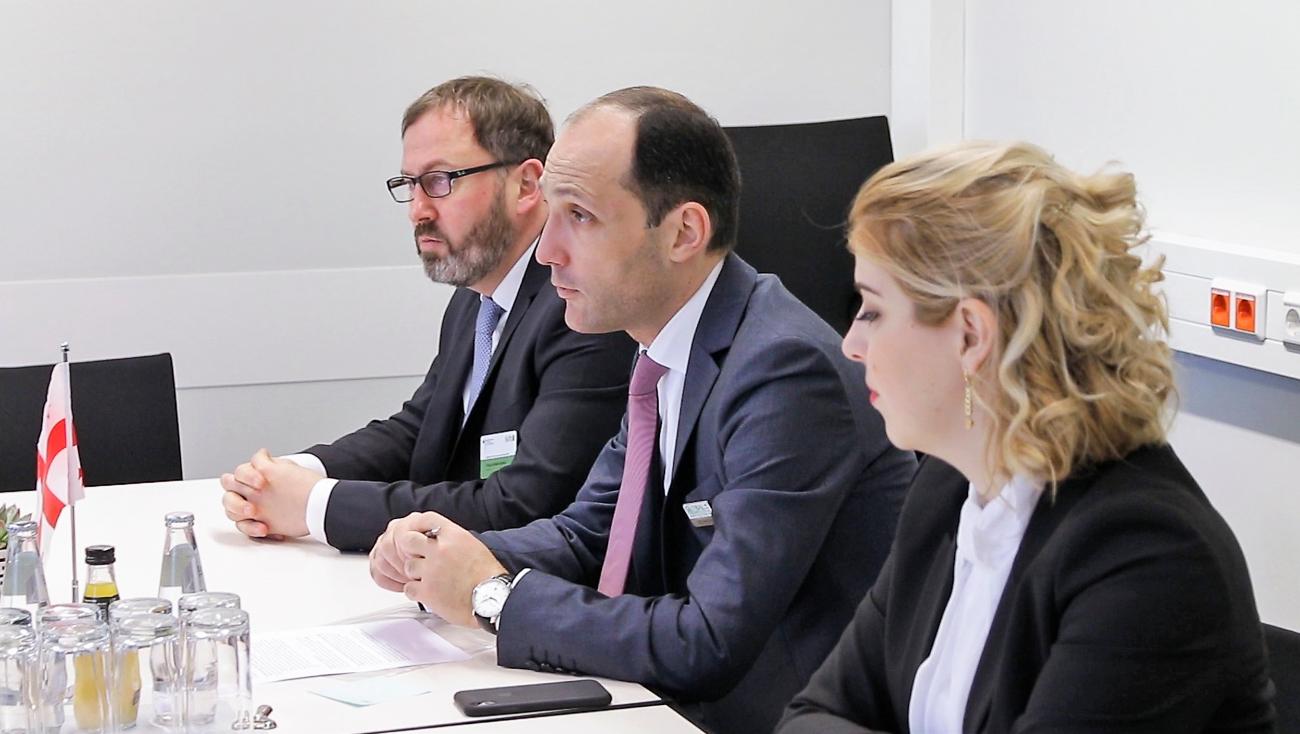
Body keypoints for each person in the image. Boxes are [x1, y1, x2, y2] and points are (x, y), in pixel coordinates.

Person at [367, 87, 916, 734]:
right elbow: (590, 532)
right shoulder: (665, 341)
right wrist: (445, 554)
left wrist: (493, 598)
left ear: (684, 232)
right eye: (552, 214)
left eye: (580, 217)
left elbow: (707, 640)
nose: (546, 251)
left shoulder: (785, 373)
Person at [778, 140, 1277, 732]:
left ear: (971, 335)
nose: (852, 345)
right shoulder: (947, 488)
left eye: (873, 309)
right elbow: (810, 717)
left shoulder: (1146, 556)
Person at [220, 77, 636, 552]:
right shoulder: (476, 297)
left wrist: (316, 506)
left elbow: (523, 505)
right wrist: (289, 475)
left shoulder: (581, 307)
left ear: (525, 185)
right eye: (409, 184)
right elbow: (422, 429)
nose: (417, 211)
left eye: (440, 182)